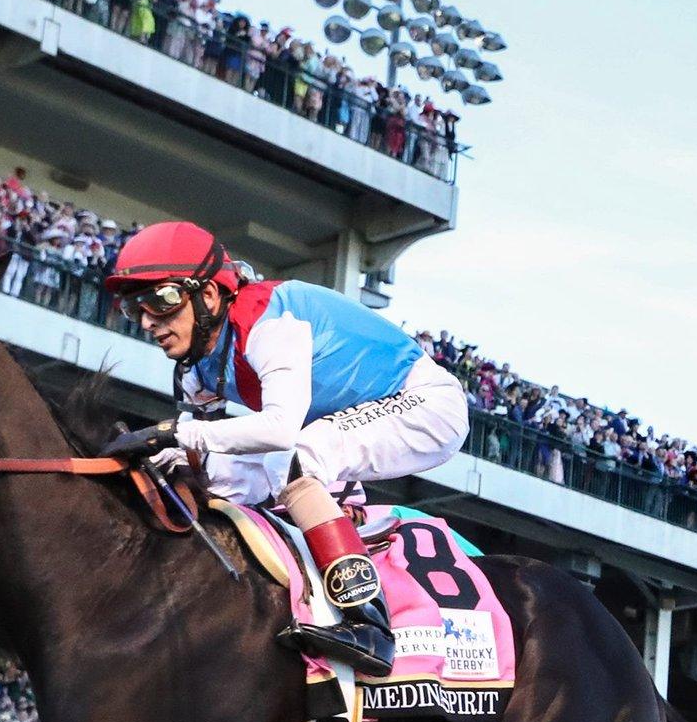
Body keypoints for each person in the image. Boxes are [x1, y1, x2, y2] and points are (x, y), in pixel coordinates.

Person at [100, 221, 469, 676]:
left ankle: (369, 625)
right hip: (344, 419)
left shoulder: (269, 323)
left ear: (210, 296)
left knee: (301, 457)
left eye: (162, 301)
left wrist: (177, 432)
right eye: (135, 306)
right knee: (215, 470)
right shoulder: (196, 367)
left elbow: (277, 431)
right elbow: (211, 457)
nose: (148, 321)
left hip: (425, 403)